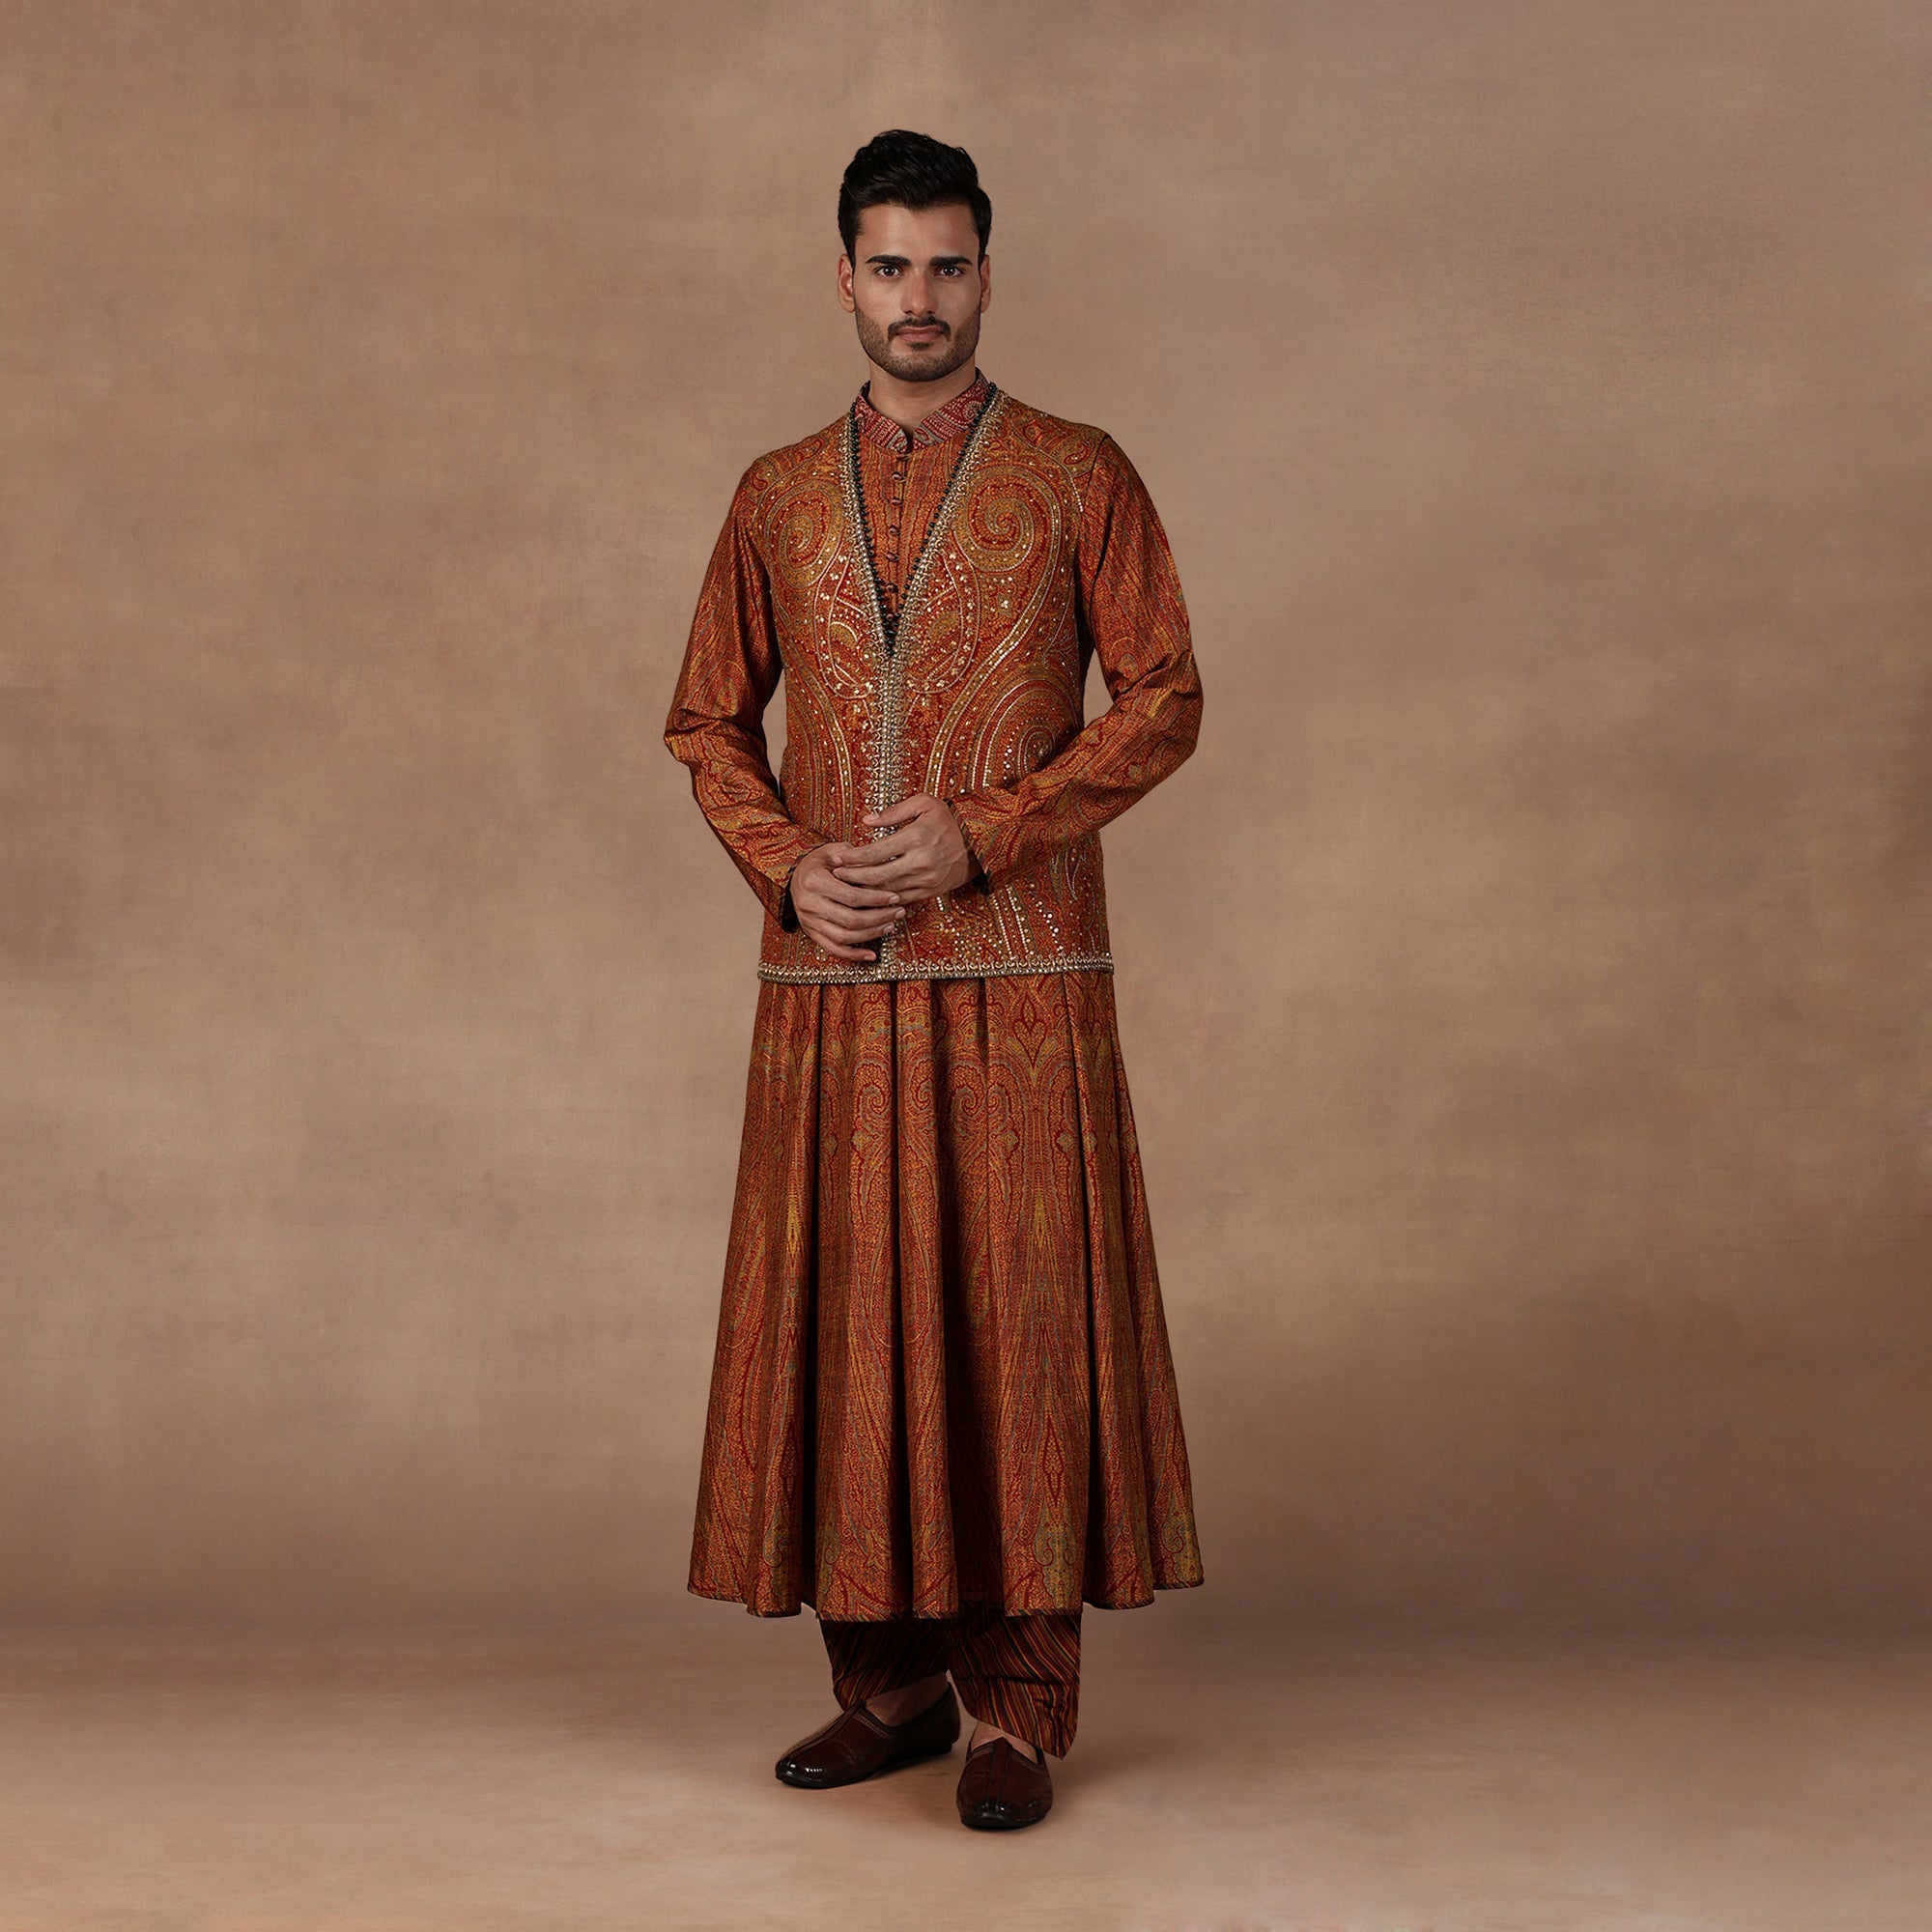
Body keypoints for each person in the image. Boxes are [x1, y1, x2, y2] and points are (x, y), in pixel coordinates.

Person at [664, 128, 1205, 1832]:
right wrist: (785, 864)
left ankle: (1015, 1716)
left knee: (1012, 1328)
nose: (920, 298)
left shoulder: (1078, 472)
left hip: (1022, 975)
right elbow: (705, 719)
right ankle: (886, 1690)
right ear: (844, 276)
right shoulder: (772, 495)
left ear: (985, 274)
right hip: (834, 983)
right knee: (851, 1323)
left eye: (948, 266)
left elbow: (1165, 696)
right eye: (890, 266)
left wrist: (991, 829)